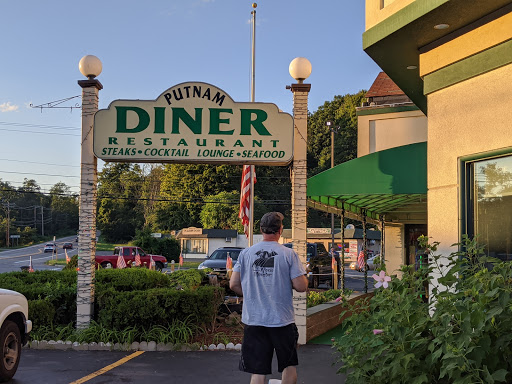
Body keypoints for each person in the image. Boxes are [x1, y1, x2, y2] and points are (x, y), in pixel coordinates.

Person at [230, 212, 308, 384]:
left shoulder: (246, 254)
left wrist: (251, 292)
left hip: (254, 320)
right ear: (280, 229)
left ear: (261, 229)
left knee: (257, 371)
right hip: (282, 321)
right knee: (288, 366)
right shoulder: (288, 254)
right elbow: (301, 287)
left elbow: (233, 284)